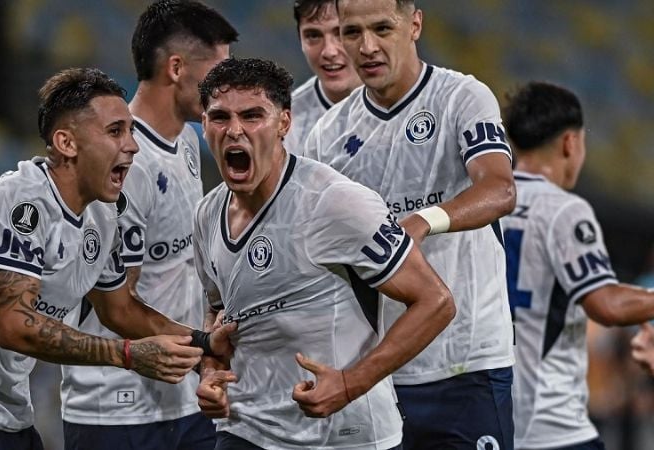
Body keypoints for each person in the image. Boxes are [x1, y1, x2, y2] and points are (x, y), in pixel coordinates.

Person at [0, 67, 234, 450]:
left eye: (131, 131)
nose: (133, 146)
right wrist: (127, 354)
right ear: (67, 143)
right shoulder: (21, 198)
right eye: (115, 131)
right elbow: (14, 326)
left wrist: (205, 344)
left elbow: (119, 309)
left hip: (6, 409)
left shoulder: (103, 216)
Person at [193, 57, 455, 450]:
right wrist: (210, 370)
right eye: (220, 117)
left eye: (252, 116)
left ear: (284, 123)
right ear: (204, 124)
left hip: (343, 435)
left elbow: (436, 302)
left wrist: (351, 383)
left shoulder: (333, 202)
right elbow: (219, 313)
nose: (234, 130)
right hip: (246, 429)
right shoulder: (206, 214)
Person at [304, 1, 518, 448]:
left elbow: (500, 190)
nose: (366, 46)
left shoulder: (462, 97)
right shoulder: (327, 135)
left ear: (414, 24)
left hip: (467, 360)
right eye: (352, 32)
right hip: (379, 370)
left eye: (382, 29)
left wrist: (424, 220)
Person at [59, 2, 238, 449]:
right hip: (117, 408)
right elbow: (116, 307)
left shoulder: (188, 142)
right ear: (176, 68)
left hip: (183, 397)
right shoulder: (121, 159)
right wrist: (205, 344)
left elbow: (181, 268)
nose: (224, 88)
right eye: (216, 72)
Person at [501, 81, 654, 450]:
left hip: (491, 416)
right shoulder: (564, 210)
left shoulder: (481, 205)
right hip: (552, 423)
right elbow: (607, 305)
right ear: (571, 143)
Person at [282, 0, 361, 154]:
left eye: (340, 33)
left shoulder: (407, 104)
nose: (329, 52)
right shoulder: (284, 126)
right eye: (313, 35)